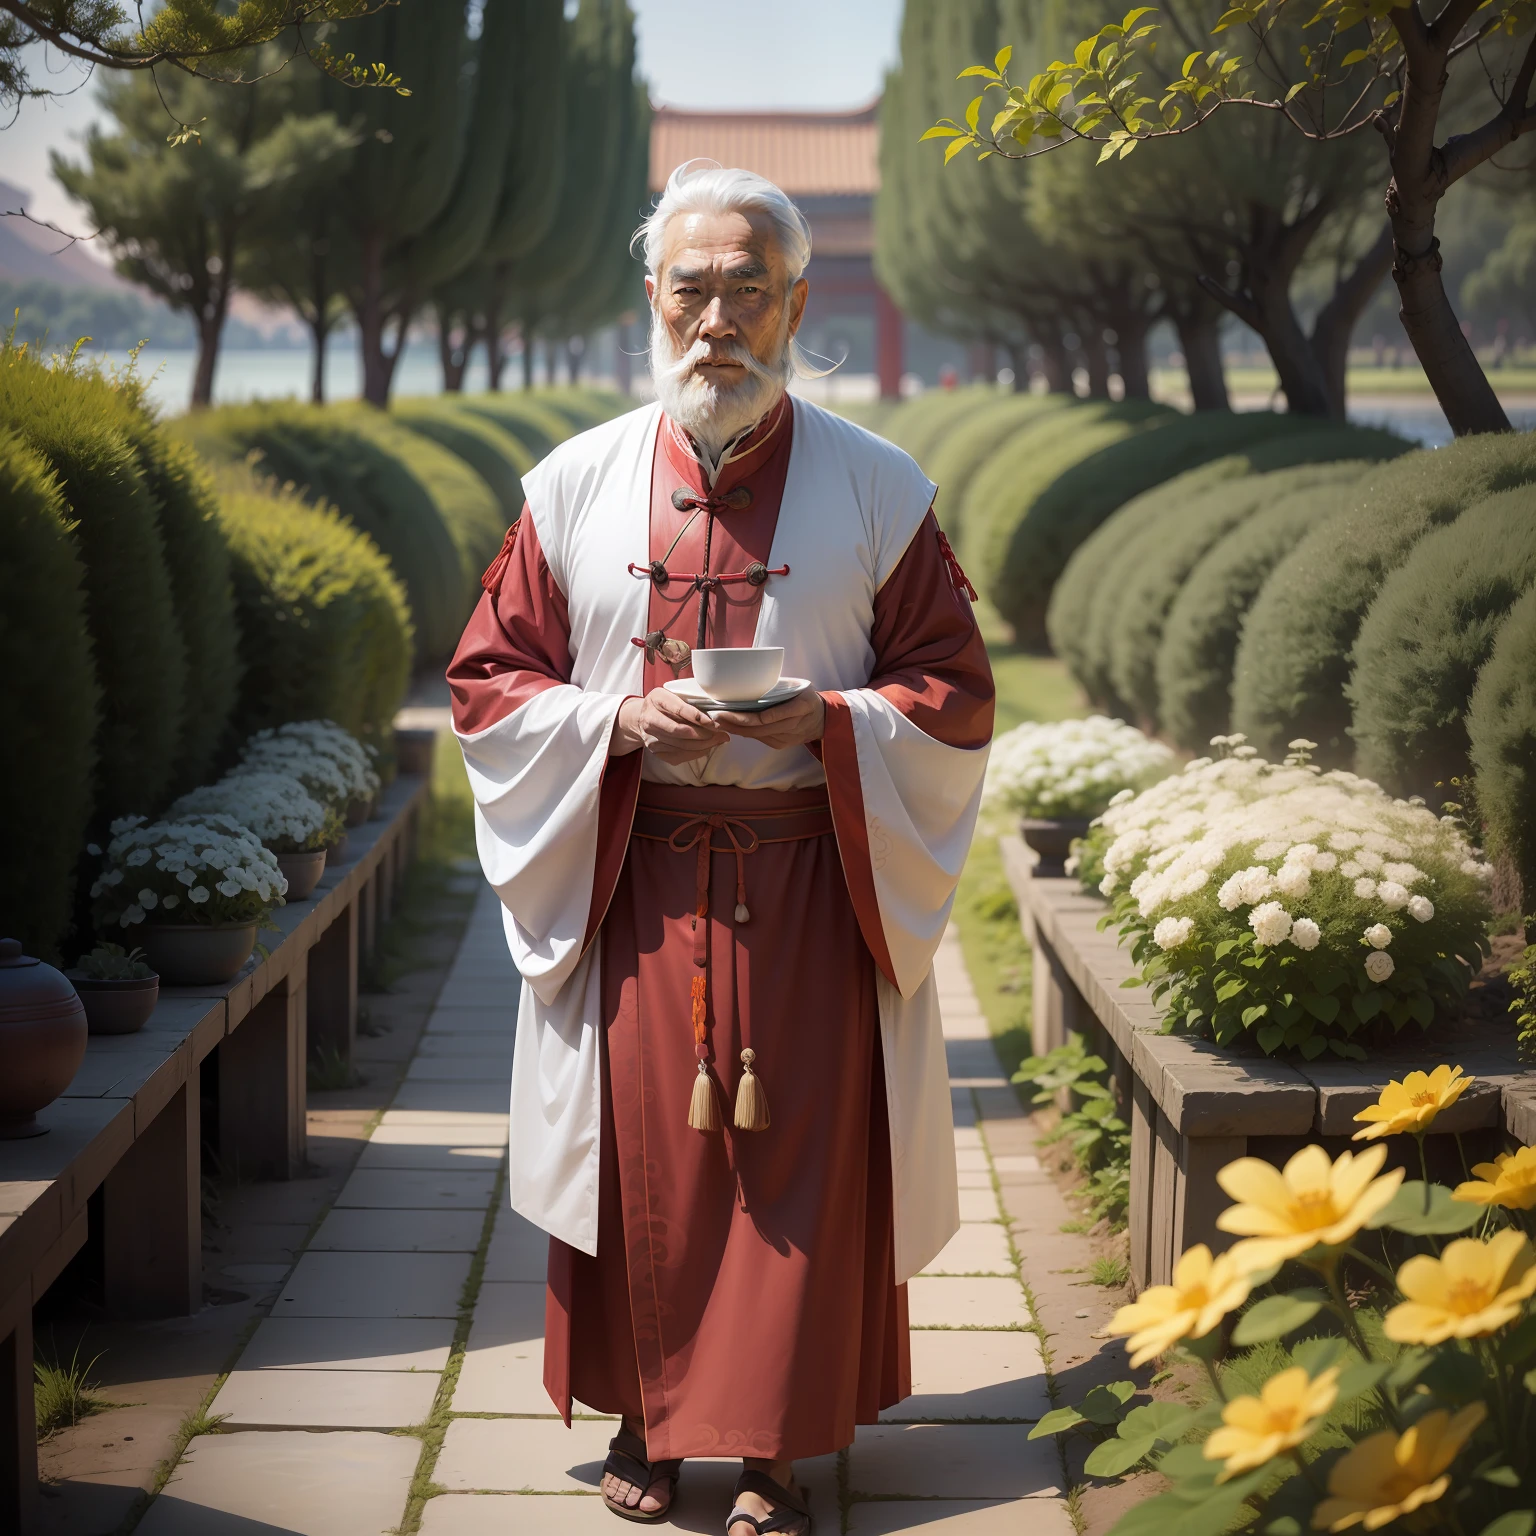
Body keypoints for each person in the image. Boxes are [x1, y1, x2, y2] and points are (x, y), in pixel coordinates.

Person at [448, 159, 994, 1535]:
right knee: (644, 1166)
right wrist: (616, 725)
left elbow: (953, 688)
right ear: (651, 297)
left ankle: (771, 1451)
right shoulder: (572, 483)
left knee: (797, 1173)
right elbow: (488, 681)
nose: (716, 324)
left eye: (748, 292)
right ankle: (646, 1418)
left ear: (796, 301)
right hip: (636, 873)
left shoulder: (881, 486)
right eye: (690, 290)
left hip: (813, 876)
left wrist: (833, 718)